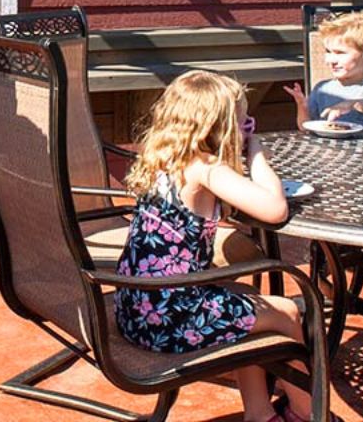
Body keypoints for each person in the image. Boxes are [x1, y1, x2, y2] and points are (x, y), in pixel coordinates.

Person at [115, 70, 328, 422]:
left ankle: (260, 413)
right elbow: (275, 211)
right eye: (243, 117)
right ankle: (308, 413)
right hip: (169, 317)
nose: (247, 122)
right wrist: (256, 149)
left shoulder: (165, 155)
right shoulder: (205, 167)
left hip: (137, 305)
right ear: (222, 126)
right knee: (288, 313)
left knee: (243, 299)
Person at [284, 9, 363, 131]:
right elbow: (305, 127)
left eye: (340, 53)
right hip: (329, 147)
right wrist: (302, 107)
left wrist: (351, 104)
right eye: (328, 51)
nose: (330, 60)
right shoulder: (322, 89)